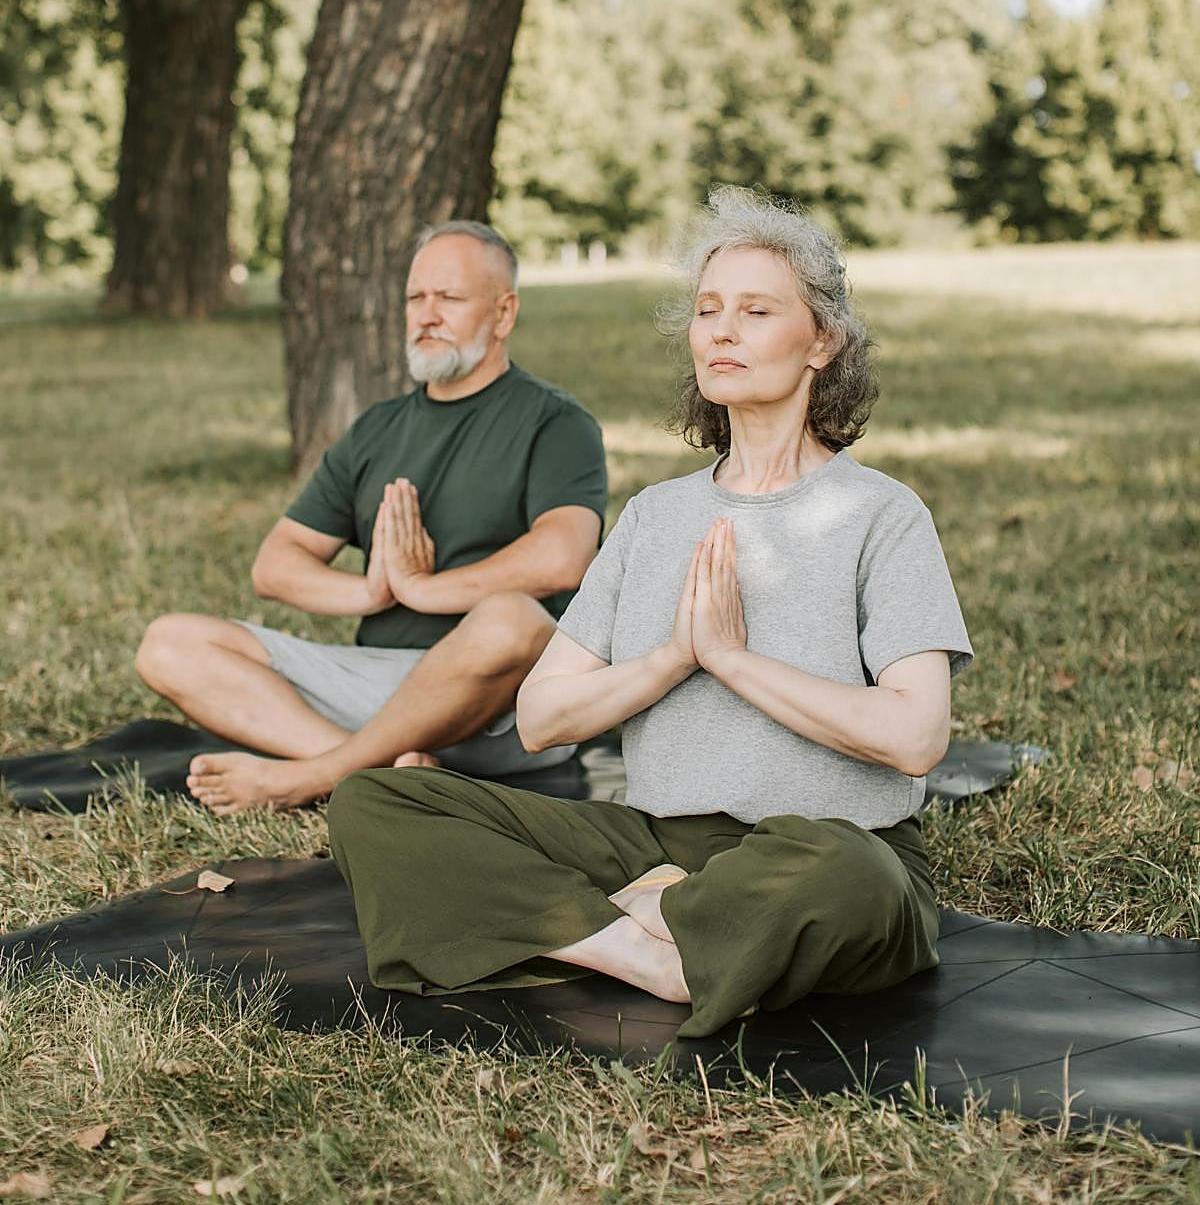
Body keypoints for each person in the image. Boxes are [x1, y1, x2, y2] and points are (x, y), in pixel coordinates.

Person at [327, 186, 974, 1038]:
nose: (722, 332)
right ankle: (644, 950)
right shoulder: (655, 517)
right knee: (376, 802)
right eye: (708, 310)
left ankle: (626, 922)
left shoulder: (881, 515)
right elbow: (541, 718)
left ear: (823, 340)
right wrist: (673, 657)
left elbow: (916, 737)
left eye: (755, 311)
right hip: (656, 847)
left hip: (827, 847)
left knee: (854, 878)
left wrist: (732, 659)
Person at [134, 221, 607, 816]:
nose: (426, 315)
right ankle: (387, 774)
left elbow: (564, 557)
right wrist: (372, 592)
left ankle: (311, 777)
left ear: (503, 313)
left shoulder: (555, 421)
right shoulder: (377, 430)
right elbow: (275, 566)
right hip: (381, 691)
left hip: (505, 705)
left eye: (449, 298)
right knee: (169, 643)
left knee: (514, 620)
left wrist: (424, 588)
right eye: (415, 297)